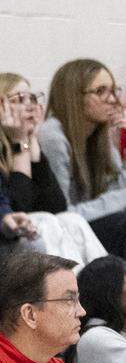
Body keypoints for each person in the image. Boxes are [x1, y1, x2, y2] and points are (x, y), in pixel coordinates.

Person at [41, 58, 126, 277]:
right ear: (74, 96)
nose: (113, 99)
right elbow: (62, 213)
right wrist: (125, 198)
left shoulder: (99, 134)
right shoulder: (53, 136)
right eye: (101, 91)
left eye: (114, 90)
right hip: (64, 231)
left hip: (88, 226)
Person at [1, 74, 107, 266]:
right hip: (7, 247)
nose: (30, 105)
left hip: (27, 247)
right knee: (43, 222)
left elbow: (57, 206)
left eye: (32, 98)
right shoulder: (11, 148)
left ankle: (106, 289)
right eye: (19, 99)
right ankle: (66, 293)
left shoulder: (26, 143)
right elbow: (19, 214)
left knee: (72, 221)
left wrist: (30, 140)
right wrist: (20, 143)